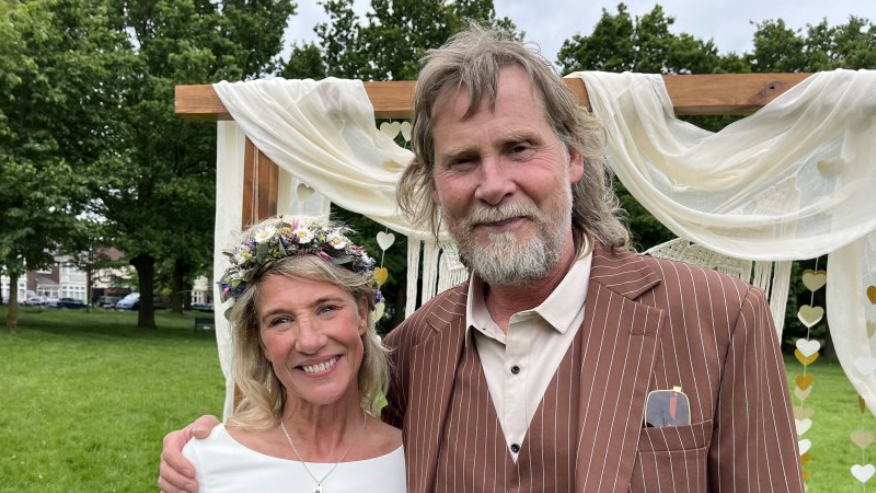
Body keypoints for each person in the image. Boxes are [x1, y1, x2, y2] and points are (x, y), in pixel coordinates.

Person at [161, 25, 803, 493]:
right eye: (463, 161)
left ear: (574, 158)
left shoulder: (719, 318)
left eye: (520, 147)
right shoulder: (413, 350)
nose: (493, 185)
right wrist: (218, 454)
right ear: (434, 185)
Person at [165, 216, 405, 493]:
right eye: (281, 320)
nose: (310, 341)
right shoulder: (205, 462)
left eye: (327, 309)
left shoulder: (416, 462)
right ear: (260, 341)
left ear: (361, 313)